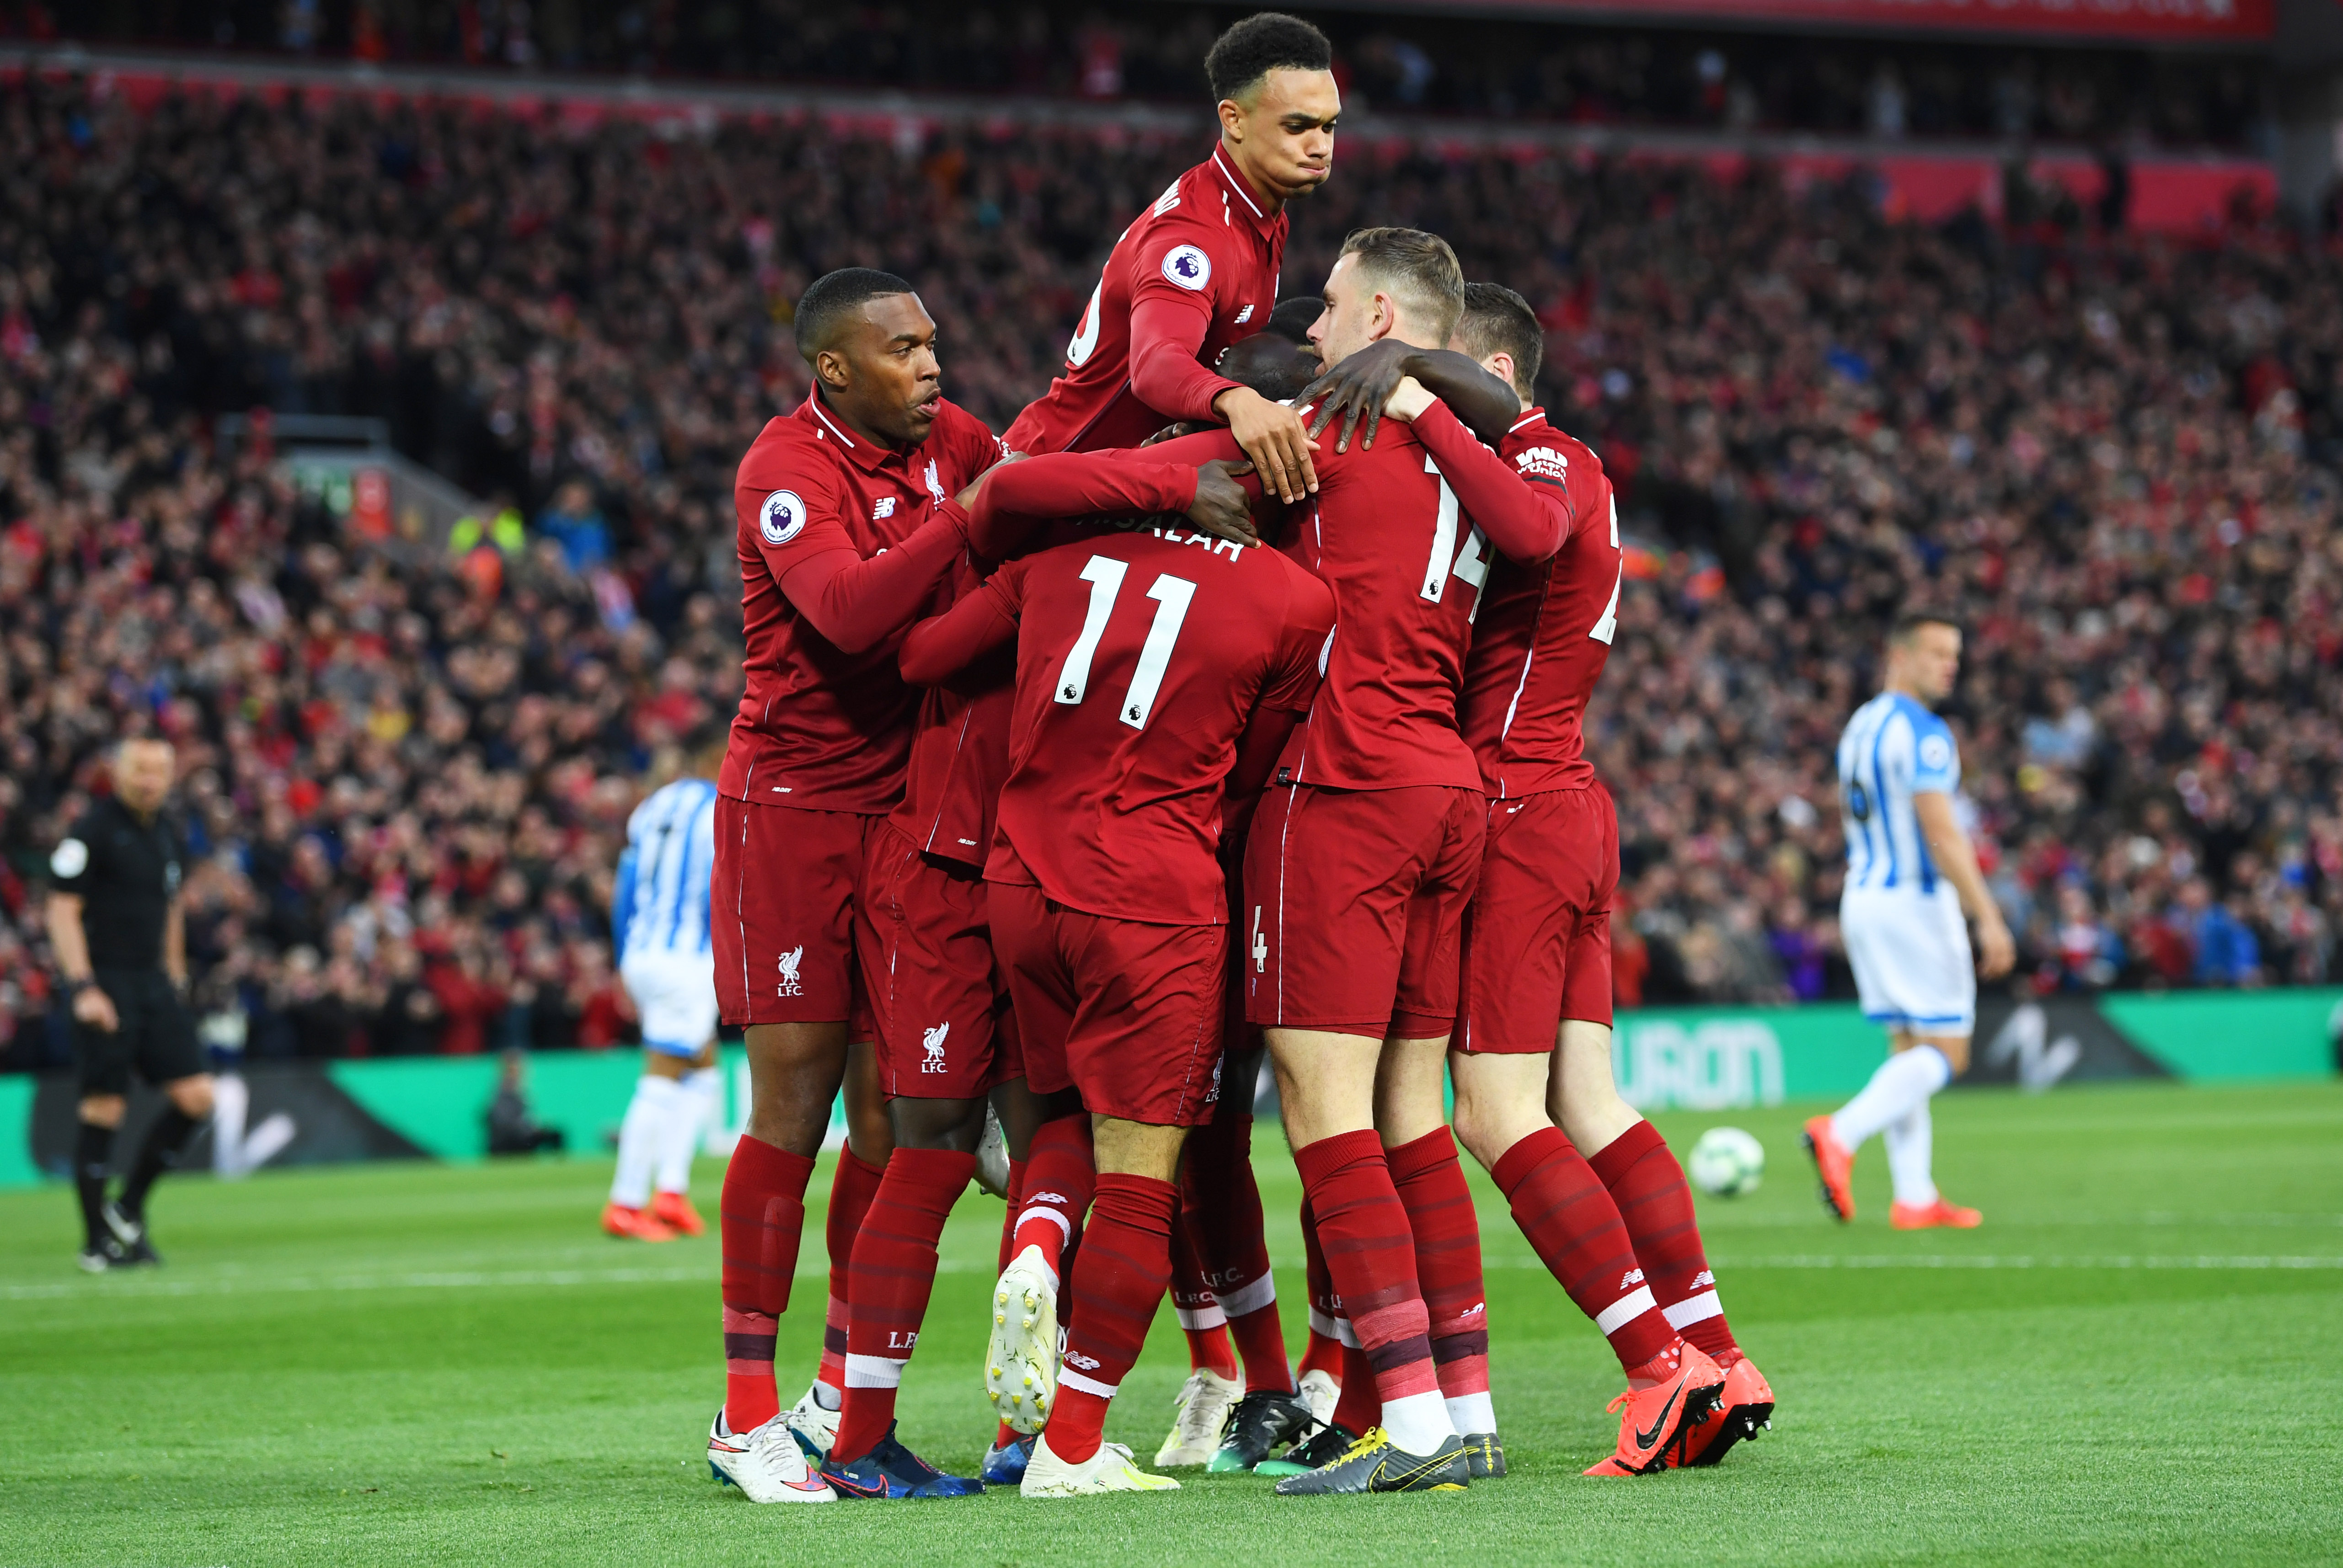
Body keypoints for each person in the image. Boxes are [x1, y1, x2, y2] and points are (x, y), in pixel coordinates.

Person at [1145, 227, 1562, 1493]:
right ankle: (1467, 1408)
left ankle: (1417, 1426)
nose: (1310, 334)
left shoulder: (1328, 438)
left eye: (1328, 312)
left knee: (1325, 1117)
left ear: (1381, 317)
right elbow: (1537, 516)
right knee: (1409, 1117)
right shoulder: (1479, 451)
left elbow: (1153, 471)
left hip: (1341, 793)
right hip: (1443, 791)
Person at [1311, 282, 1750, 1476]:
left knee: (1497, 1112)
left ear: (1493, 363)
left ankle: (1657, 1368)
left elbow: (1533, 533)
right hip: (1566, 801)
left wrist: (1424, 402)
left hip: (1511, 802)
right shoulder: (1558, 465)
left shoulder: (1543, 455)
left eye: (1446, 361)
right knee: (1592, 1100)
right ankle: (1715, 1351)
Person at [896, 443, 1336, 1498]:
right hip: (1152, 897)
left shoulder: (1061, 554)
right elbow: (1254, 764)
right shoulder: (1298, 600)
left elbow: (923, 655)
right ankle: (1077, 1444)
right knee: (1145, 1181)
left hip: (1021, 880)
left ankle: (1040, 1239)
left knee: (1059, 1126)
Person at [704, 267, 1006, 1507]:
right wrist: (974, 515)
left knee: (895, 1117)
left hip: (912, 808)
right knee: (794, 1103)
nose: (931, 363)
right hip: (793, 811)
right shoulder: (786, 470)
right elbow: (845, 611)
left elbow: (1024, 495)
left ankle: (842, 1398)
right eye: (901, 347)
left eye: (933, 340)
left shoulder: (957, 442)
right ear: (833, 368)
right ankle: (743, 1413)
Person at [1002, 11, 1336, 503]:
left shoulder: (1262, 214)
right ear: (1234, 120)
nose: (1320, 146)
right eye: (1298, 127)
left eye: (1329, 127)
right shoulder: (1194, 237)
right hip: (1056, 480)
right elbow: (1157, 365)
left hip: (1126, 487)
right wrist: (1237, 400)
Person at [1805, 612, 2014, 1230]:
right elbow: (1943, 832)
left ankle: (1915, 1195)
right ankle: (1839, 1132)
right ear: (1900, 655)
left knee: (1907, 1047)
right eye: (1936, 653)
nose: (1950, 665)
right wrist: (1989, 915)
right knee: (1949, 1051)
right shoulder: (1925, 732)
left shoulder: (1861, 724)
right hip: (1916, 902)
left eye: (1954, 654)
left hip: (1864, 896)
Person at [46, 737, 214, 1272]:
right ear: (118, 772)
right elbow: (61, 909)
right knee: (105, 1107)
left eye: (159, 770)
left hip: (153, 984)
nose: (150, 779)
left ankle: (128, 1209)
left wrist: (177, 975)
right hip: (108, 982)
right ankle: (96, 1240)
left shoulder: (167, 829)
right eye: (140, 769)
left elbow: (170, 908)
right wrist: (84, 987)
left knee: (197, 1097)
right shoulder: (94, 829)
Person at [602, 740, 725, 1243]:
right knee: (662, 1076)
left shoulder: (649, 809)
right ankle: (625, 1202)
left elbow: (625, 889)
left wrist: (621, 963)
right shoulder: (723, 808)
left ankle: (670, 1192)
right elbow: (727, 886)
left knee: (704, 1073)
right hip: (686, 959)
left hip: (643, 953)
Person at [487, 1048, 566, 1155]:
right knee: (554, 1135)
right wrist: (530, 1129)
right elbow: (504, 1121)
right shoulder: (502, 1092)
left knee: (555, 1134)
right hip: (510, 1139)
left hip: (519, 1135)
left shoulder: (517, 1091)